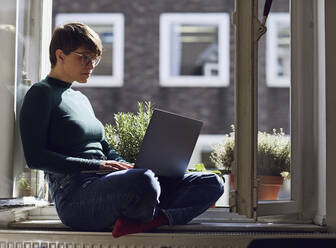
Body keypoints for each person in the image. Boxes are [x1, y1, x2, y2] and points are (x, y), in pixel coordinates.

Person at [19, 22, 224, 238]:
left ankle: (153, 220)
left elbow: (104, 146)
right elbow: (35, 158)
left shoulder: (80, 98)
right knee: (143, 181)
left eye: (94, 59)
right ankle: (147, 214)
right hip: (76, 196)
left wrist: (129, 165)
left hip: (110, 185)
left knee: (211, 182)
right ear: (60, 55)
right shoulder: (41, 94)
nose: (91, 65)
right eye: (84, 57)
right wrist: (100, 165)